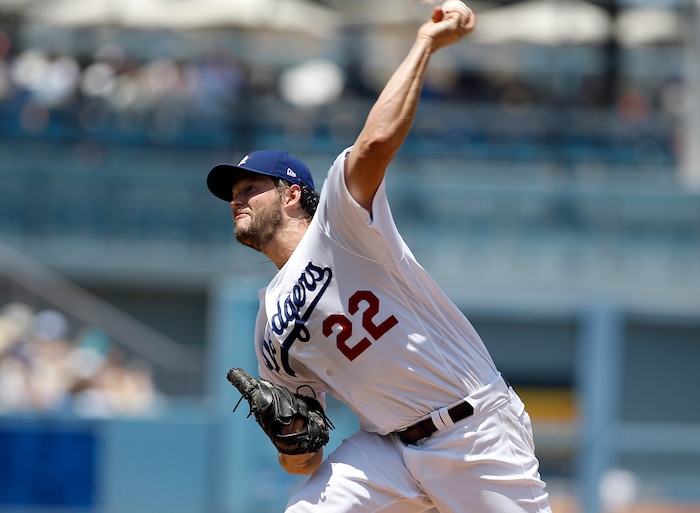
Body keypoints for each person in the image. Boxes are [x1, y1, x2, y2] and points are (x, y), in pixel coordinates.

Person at [206, 5, 552, 513]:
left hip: (471, 429)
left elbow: (375, 142)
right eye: (232, 194)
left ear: (292, 196)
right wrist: (289, 442)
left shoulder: (341, 230)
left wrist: (425, 44)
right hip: (384, 448)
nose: (236, 200)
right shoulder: (269, 326)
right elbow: (305, 458)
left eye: (250, 189)